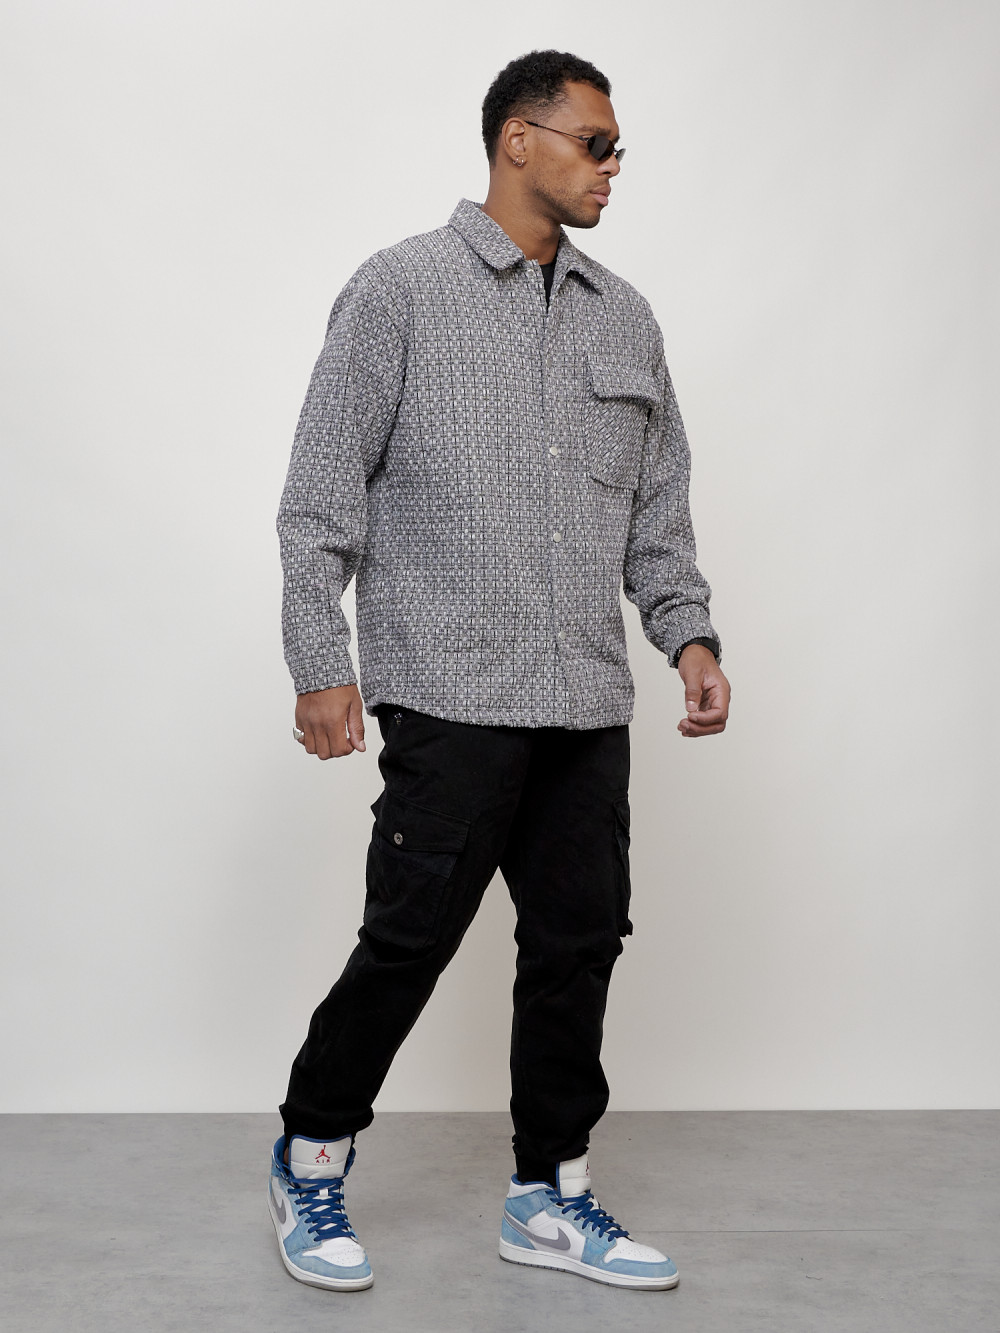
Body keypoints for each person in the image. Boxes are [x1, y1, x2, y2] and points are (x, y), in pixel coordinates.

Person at [269, 48, 731, 1294]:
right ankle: (311, 1156)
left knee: (578, 943)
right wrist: (319, 661)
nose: (612, 167)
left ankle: (548, 1194)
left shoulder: (624, 317)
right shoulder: (398, 291)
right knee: (409, 937)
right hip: (449, 686)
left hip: (586, 696)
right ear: (517, 140)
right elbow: (318, 499)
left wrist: (687, 636)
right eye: (595, 143)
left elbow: (658, 517)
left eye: (618, 148)